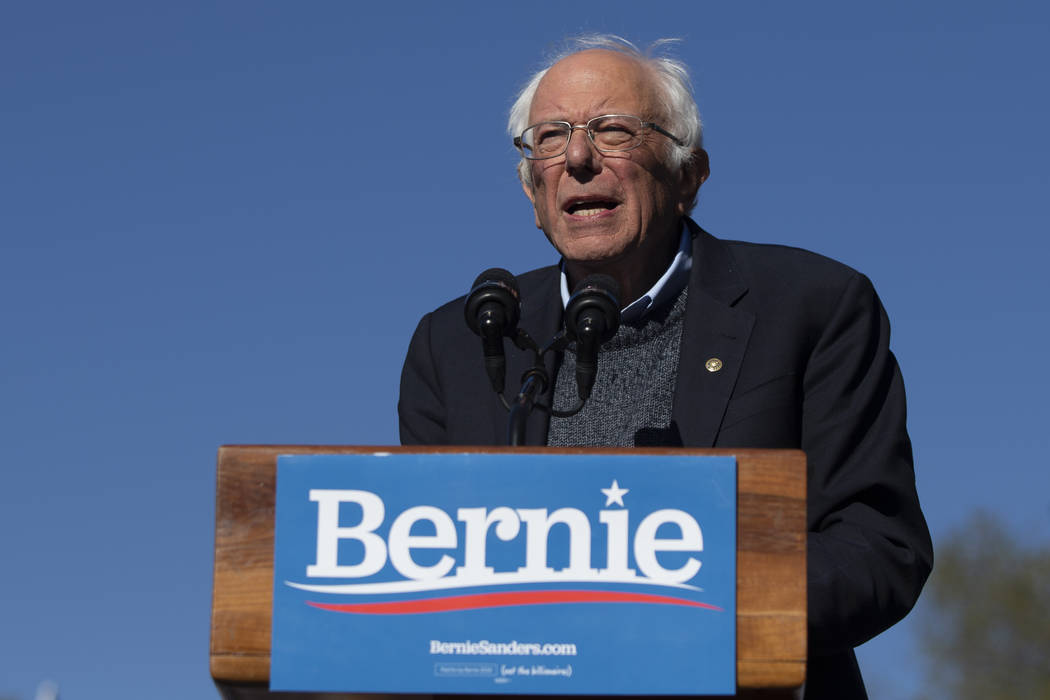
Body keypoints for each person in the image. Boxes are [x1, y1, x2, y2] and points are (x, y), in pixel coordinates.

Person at [398, 35, 932, 699]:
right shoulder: (460, 342)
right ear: (533, 190)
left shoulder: (812, 306)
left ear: (689, 177)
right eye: (552, 137)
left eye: (613, 130)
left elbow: (877, 549)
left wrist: (677, 611)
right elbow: (423, 577)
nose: (580, 157)